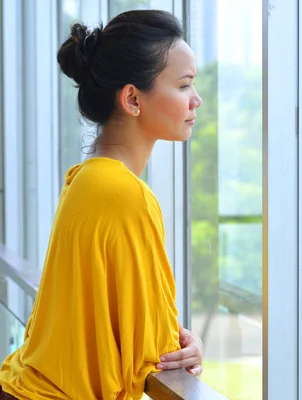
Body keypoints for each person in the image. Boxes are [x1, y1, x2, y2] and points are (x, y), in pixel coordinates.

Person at [0, 10, 203, 400]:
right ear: (132, 98)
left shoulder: (85, 177)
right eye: (184, 85)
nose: (196, 100)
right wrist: (190, 347)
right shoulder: (126, 194)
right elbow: (155, 355)